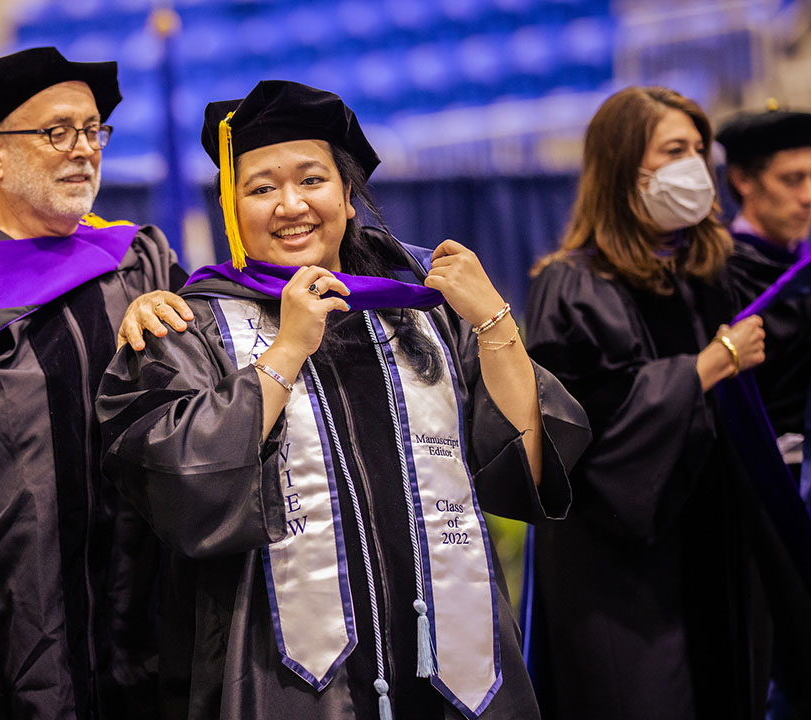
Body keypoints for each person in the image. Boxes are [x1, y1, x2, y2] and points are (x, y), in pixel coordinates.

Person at [95, 80, 588, 720]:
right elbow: (179, 486)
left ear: (348, 198)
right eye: (261, 188)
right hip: (281, 672)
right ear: (233, 210)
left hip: (454, 667)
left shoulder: (421, 310)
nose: (291, 204)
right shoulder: (194, 327)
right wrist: (286, 349)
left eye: (312, 180)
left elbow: (530, 465)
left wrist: (494, 321)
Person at [0, 47, 190, 719]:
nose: (83, 149)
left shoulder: (137, 261)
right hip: (5, 633)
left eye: (92, 130)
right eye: (57, 132)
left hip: (138, 611)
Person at [525, 86, 791, 720]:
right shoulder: (572, 283)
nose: (695, 167)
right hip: (623, 565)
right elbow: (573, 426)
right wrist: (702, 369)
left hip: (718, 538)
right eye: (675, 149)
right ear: (623, 165)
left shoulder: (707, 270)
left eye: (700, 149)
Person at [716, 107, 811, 465]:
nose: (808, 196)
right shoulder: (717, 274)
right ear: (743, 180)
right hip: (761, 479)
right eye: (792, 179)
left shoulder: (805, 256)